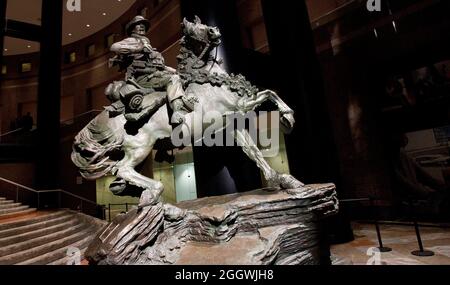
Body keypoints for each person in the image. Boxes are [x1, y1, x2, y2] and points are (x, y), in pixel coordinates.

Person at [109, 16, 188, 124]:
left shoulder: (148, 45)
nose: (142, 26)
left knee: (179, 77)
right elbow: (114, 47)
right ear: (132, 29)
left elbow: (161, 67)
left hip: (155, 75)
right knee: (173, 79)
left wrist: (176, 71)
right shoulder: (132, 40)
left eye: (144, 25)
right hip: (142, 78)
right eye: (138, 24)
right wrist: (139, 48)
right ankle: (177, 111)